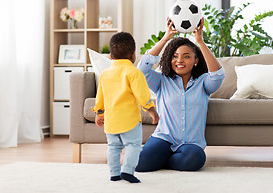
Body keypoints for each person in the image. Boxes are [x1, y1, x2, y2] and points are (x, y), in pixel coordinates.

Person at [136, 18, 225, 172]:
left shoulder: (204, 82)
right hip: (164, 138)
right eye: (175, 56)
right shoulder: (161, 80)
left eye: (186, 56)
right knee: (139, 164)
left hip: (191, 143)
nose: (179, 61)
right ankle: (163, 156)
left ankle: (164, 160)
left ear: (196, 61)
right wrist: (166, 38)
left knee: (193, 161)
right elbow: (141, 70)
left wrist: (200, 42)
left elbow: (217, 75)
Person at [92, 32, 159, 183]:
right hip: (130, 121)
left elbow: (100, 97)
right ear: (133, 54)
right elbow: (142, 94)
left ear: (111, 56)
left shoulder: (105, 74)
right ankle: (128, 171)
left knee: (113, 147)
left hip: (111, 121)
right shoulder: (134, 73)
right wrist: (151, 109)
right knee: (133, 145)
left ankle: (114, 173)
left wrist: (99, 113)